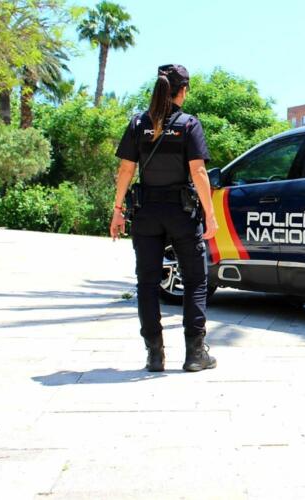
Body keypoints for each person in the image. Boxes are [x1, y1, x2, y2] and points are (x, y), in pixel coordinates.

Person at [110, 64, 219, 373]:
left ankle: (154, 355)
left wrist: (118, 210)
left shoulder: (138, 124)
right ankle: (195, 354)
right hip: (182, 213)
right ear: (182, 91)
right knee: (196, 281)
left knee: (146, 283)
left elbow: (126, 171)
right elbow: (198, 172)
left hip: (146, 213)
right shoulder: (188, 125)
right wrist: (210, 216)